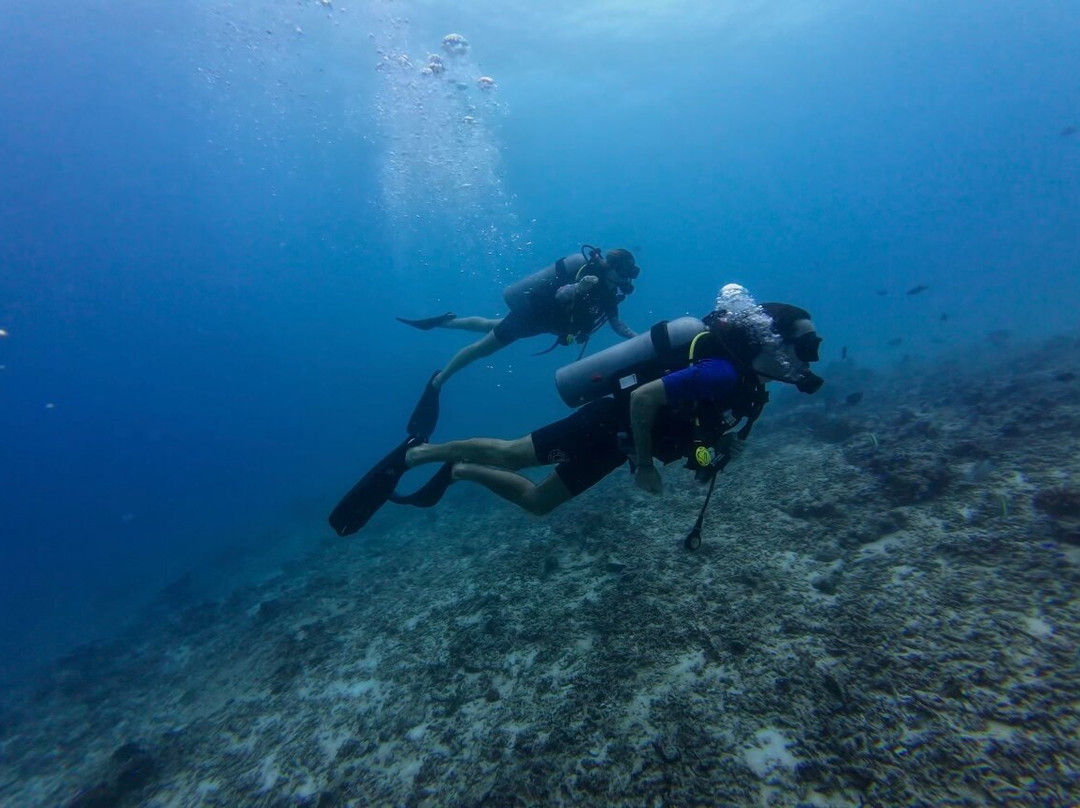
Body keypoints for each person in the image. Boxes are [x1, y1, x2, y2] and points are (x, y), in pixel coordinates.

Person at [328, 284, 824, 543]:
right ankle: (419, 454)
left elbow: (701, 423)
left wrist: (719, 445)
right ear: (771, 341)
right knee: (513, 455)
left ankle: (458, 471)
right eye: (806, 345)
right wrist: (646, 466)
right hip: (607, 424)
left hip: (619, 446)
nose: (811, 357)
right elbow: (644, 399)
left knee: (538, 502)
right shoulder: (722, 373)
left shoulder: (753, 387)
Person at [398, 245, 640, 440]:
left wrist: (637, 339)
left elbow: (617, 324)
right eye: (623, 274)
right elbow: (561, 295)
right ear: (612, 267)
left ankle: (445, 322)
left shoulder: (608, 293)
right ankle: (438, 381)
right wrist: (580, 286)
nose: (624, 280)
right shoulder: (587, 275)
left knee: (489, 325)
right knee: (482, 349)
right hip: (530, 317)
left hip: (542, 325)